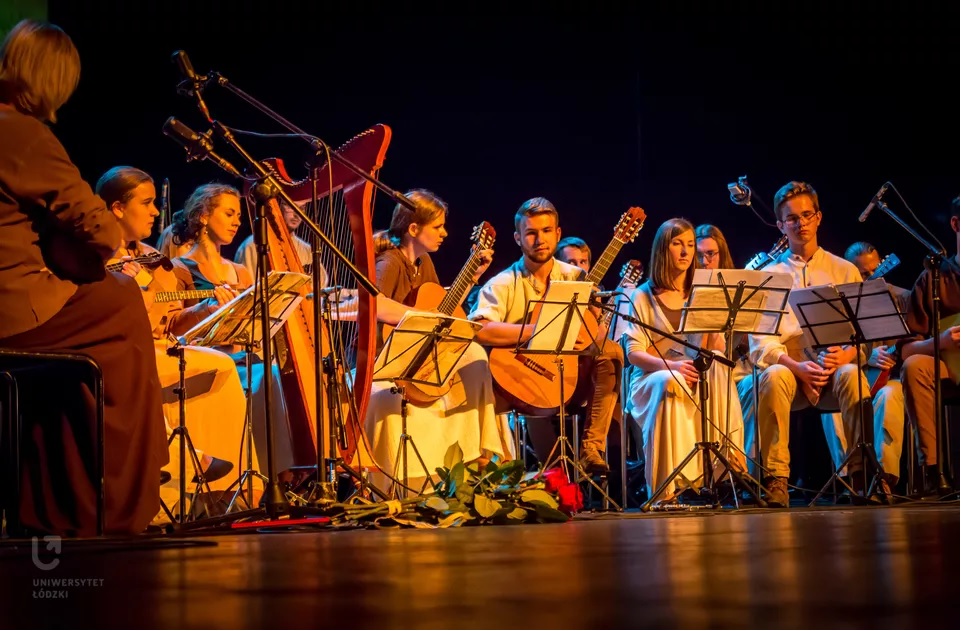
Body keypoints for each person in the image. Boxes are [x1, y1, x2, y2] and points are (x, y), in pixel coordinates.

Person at [0, 19, 166, 536]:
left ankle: (52, 503)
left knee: (78, 351)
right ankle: (116, 504)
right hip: (11, 310)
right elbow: (98, 227)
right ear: (55, 80)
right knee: (121, 303)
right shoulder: (22, 133)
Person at [736, 181, 898, 507]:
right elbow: (760, 345)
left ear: (819, 217)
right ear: (781, 225)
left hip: (832, 368)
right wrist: (795, 366)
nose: (801, 223)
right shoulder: (769, 274)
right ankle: (775, 479)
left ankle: (860, 476)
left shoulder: (844, 269)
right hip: (790, 370)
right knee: (772, 376)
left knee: (852, 376)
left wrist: (846, 355)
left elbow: (864, 337)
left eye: (807, 215)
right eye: (792, 218)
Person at [95, 166, 246, 499]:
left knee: (220, 366)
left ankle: (231, 488)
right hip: (117, 353)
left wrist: (205, 307)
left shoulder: (152, 259)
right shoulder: (95, 256)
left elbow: (171, 322)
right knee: (206, 367)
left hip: (158, 348)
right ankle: (187, 466)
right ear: (118, 208)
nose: (155, 211)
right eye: (147, 203)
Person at [364, 189, 511, 488]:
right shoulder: (390, 261)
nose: (445, 233)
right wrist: (419, 318)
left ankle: (477, 456)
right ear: (414, 229)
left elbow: (441, 308)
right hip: (385, 359)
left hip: (418, 360)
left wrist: (470, 277)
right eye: (438, 226)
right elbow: (374, 304)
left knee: (475, 356)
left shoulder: (423, 263)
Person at [470, 197, 623, 474]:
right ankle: (498, 470)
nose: (539, 239)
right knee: (475, 376)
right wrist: (537, 332)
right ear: (518, 238)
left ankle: (591, 447)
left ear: (558, 233)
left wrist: (588, 333)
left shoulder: (577, 277)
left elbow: (598, 333)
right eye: (531, 233)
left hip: (572, 380)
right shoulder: (504, 282)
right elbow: (481, 329)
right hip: (522, 382)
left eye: (546, 231)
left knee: (611, 351)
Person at [168, 182, 296, 476]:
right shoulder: (180, 268)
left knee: (278, 374)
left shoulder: (240, 271)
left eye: (238, 215)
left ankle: (279, 475)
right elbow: (173, 325)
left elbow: (256, 327)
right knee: (269, 377)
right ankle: (269, 475)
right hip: (208, 362)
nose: (237, 220)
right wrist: (208, 307)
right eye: (228, 213)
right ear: (202, 216)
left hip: (246, 358)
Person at [621, 218, 744, 500]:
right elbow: (634, 354)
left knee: (716, 364)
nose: (686, 252)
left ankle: (723, 467)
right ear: (663, 249)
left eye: (690, 244)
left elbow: (715, 349)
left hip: (691, 372)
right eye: (678, 244)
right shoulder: (642, 295)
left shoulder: (700, 292)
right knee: (671, 379)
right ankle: (667, 487)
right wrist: (673, 365)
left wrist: (717, 322)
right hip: (651, 380)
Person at [819, 240, 910, 493]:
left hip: (887, 378)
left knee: (889, 397)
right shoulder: (835, 304)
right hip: (853, 373)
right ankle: (850, 476)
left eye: (874, 272)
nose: (869, 279)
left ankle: (882, 477)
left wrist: (897, 353)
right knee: (834, 404)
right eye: (862, 274)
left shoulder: (901, 297)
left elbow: (915, 342)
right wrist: (865, 356)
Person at [899, 211, 960, 495]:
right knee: (915, 366)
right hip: (951, 365)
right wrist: (942, 341)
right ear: (955, 223)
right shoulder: (935, 278)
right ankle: (935, 471)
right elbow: (907, 348)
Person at [234, 198, 325, 285]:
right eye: (290, 207)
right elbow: (248, 289)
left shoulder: (307, 250)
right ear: (277, 207)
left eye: (301, 208)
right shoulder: (252, 245)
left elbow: (321, 284)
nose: (297, 214)